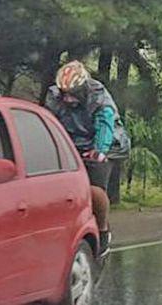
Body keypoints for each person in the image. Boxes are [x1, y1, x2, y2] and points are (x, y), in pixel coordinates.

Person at [45, 60, 122, 257]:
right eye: (65, 93)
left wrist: (100, 150)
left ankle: (103, 229)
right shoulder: (54, 96)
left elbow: (105, 124)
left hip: (105, 143)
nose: (68, 99)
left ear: (83, 88)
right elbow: (50, 124)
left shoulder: (99, 96)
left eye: (73, 93)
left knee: (94, 188)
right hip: (72, 143)